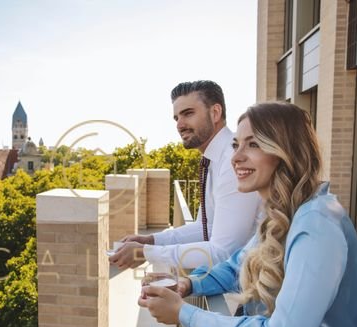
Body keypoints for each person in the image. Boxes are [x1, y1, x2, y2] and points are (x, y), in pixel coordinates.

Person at [139, 102, 357, 327]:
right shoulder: (283, 213)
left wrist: (183, 314)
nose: (236, 157)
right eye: (236, 144)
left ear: (285, 151)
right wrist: (189, 284)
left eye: (253, 145)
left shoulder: (317, 226)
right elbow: (237, 265)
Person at [109, 80, 261, 270]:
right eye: (176, 118)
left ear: (215, 113)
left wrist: (146, 253)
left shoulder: (234, 160)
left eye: (188, 113)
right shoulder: (213, 159)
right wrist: (151, 240)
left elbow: (223, 251)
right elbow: (205, 226)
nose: (180, 125)